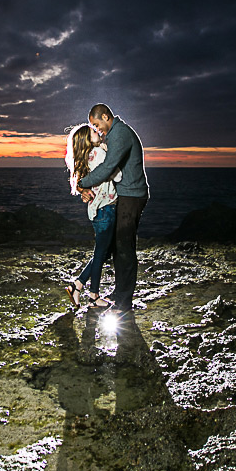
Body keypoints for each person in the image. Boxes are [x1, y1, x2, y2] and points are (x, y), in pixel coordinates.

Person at [76, 104, 148, 314]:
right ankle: (119, 294)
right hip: (124, 195)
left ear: (106, 117)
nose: (97, 130)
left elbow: (107, 168)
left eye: (97, 124)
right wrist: (84, 188)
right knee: (118, 248)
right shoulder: (114, 134)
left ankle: (124, 303)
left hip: (132, 196)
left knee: (125, 250)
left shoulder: (120, 134)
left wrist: (83, 183)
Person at [64, 123, 120, 308]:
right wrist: (108, 151)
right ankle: (93, 295)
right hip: (106, 209)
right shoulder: (99, 154)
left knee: (102, 252)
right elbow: (117, 175)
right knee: (101, 253)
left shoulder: (88, 157)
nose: (97, 132)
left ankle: (78, 285)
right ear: (87, 140)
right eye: (93, 132)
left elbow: (83, 182)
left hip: (98, 211)